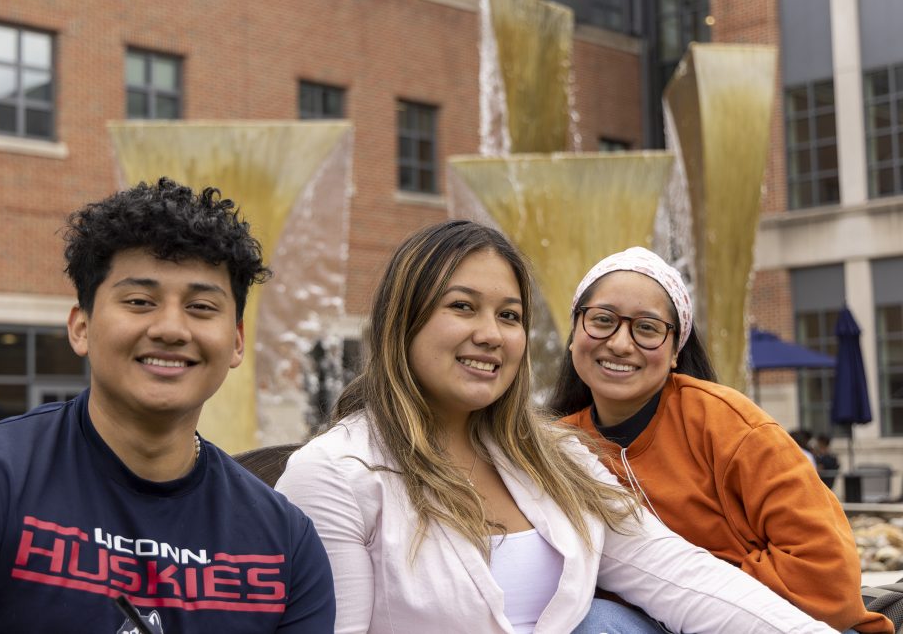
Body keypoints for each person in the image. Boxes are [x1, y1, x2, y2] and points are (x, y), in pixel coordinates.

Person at [277, 220, 839, 634]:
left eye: (510, 315)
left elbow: (685, 577)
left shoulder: (558, 457)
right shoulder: (332, 473)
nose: (492, 335)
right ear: (404, 320)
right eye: (462, 307)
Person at [0, 178, 335, 633]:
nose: (172, 328)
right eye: (139, 301)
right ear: (80, 327)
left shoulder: (284, 544)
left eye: (200, 306)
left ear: (236, 342)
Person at [551, 246, 891, 634]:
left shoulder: (730, 425)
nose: (621, 344)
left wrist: (691, 594)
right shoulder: (557, 448)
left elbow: (827, 577)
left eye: (646, 328)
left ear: (676, 349)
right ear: (575, 332)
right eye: (602, 320)